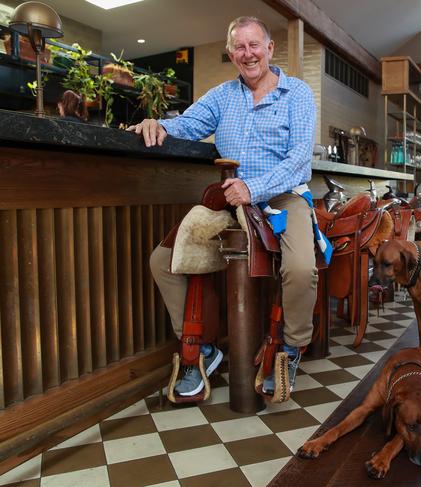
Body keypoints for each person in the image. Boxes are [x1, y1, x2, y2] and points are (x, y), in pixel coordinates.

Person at [128, 16, 318, 398]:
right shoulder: (222, 96)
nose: (248, 54)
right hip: (229, 197)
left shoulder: (297, 93)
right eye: (239, 47)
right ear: (232, 54)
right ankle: (202, 348)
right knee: (162, 263)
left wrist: (255, 186)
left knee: (300, 268)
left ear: (269, 49)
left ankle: (292, 348)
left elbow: (299, 160)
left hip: (283, 195)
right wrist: (155, 123)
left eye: (254, 45)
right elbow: (186, 124)